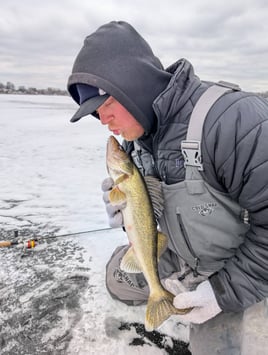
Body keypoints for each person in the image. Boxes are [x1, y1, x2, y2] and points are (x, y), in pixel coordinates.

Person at [67, 21, 268, 355]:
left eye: (105, 107)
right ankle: (176, 293)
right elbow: (159, 220)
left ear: (132, 85)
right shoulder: (138, 142)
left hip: (247, 263)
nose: (103, 122)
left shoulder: (236, 122)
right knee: (119, 276)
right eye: (96, 115)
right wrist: (129, 217)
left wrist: (221, 293)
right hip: (191, 258)